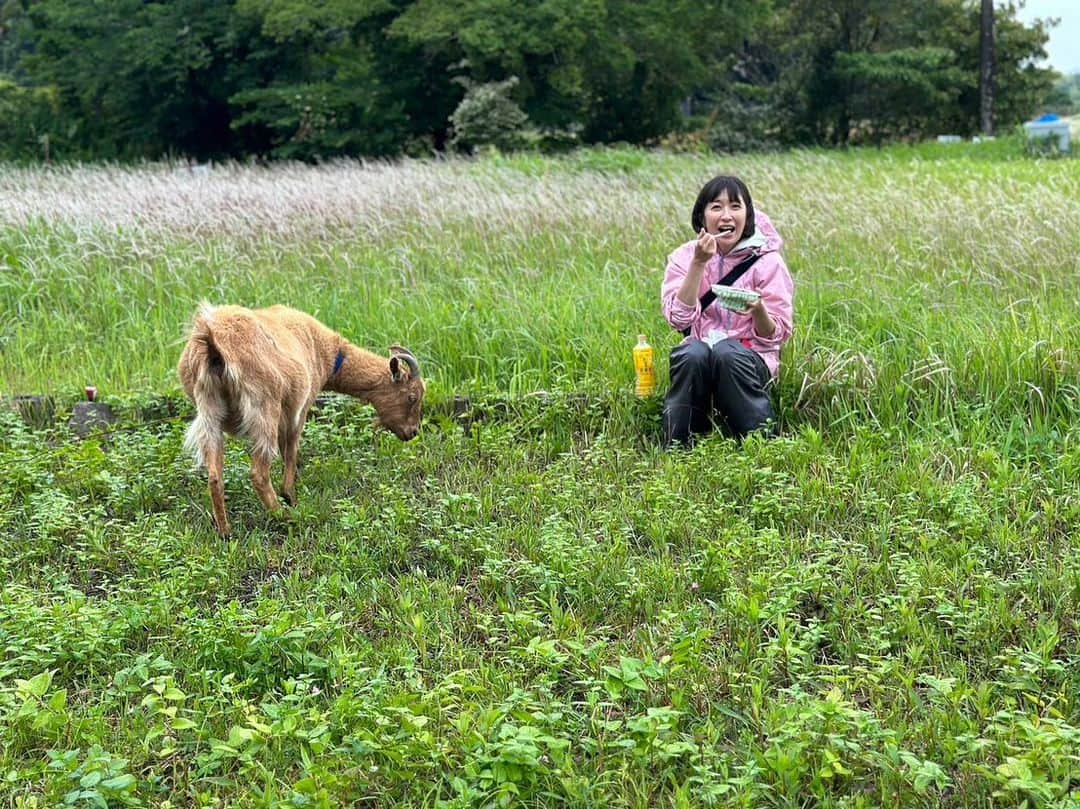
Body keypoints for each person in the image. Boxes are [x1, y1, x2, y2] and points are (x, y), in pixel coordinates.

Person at [660, 174, 793, 446]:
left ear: (748, 215)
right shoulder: (684, 257)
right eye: (716, 207)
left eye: (735, 206)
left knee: (727, 353)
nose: (726, 215)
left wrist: (758, 310)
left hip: (749, 357)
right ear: (702, 216)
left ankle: (762, 444)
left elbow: (776, 336)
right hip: (702, 353)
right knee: (691, 353)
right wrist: (699, 263)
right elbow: (677, 319)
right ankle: (679, 445)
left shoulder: (768, 262)